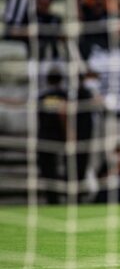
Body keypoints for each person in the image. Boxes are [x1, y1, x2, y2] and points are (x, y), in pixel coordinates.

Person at [37, 69, 67, 204]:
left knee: (48, 170)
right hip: (58, 137)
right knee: (58, 169)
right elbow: (63, 113)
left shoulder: (43, 96)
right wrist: (69, 132)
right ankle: (60, 198)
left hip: (44, 137)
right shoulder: (62, 95)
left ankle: (52, 198)